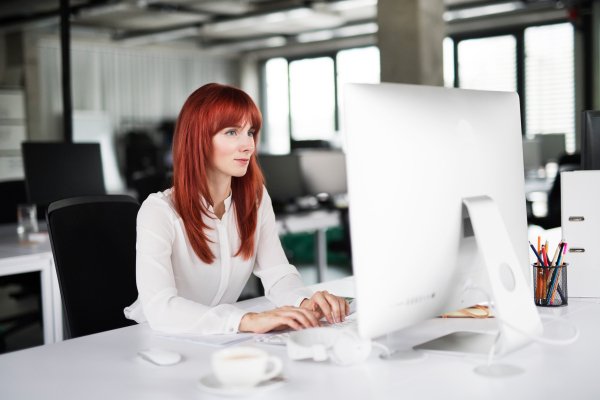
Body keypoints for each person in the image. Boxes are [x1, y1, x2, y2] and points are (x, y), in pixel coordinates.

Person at [124, 83, 349, 334]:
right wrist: (247, 320)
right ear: (198, 140)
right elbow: (160, 308)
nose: (248, 146)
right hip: (158, 339)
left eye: (250, 132)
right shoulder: (159, 212)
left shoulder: (255, 199)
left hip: (221, 337)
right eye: (232, 132)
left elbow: (277, 272)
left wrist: (304, 302)